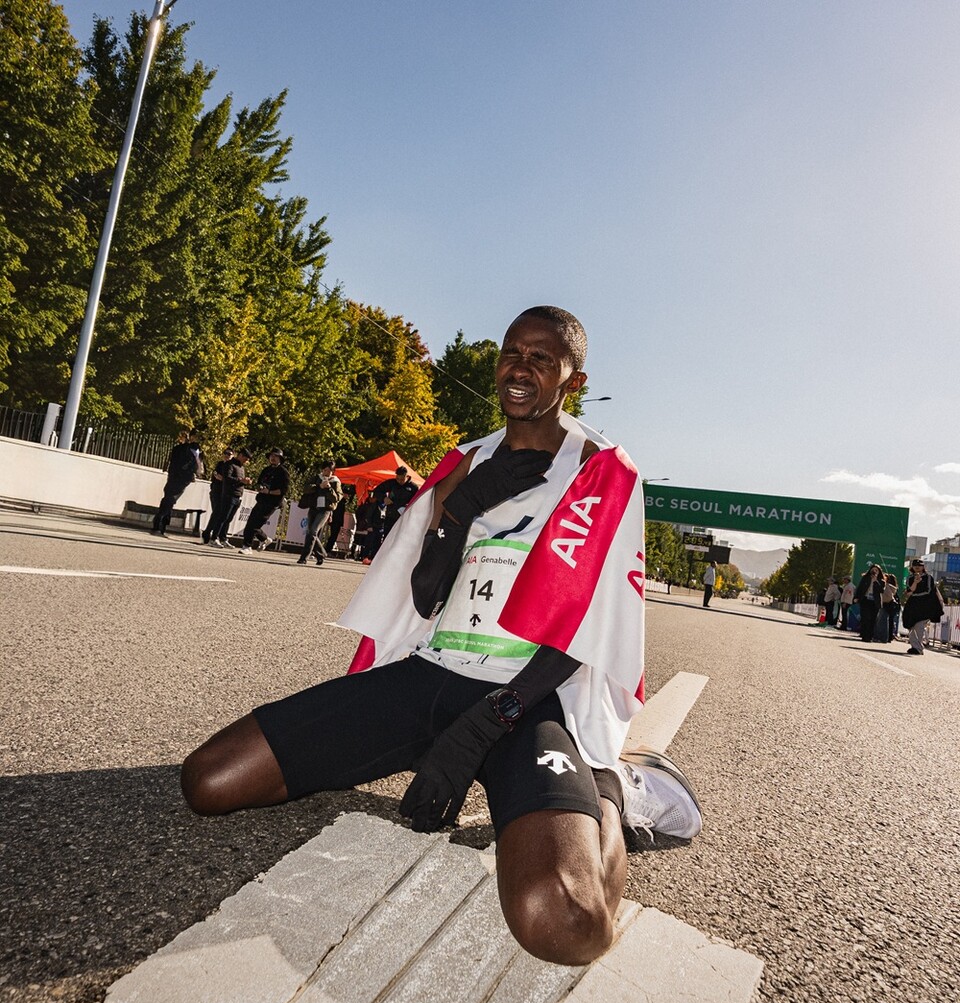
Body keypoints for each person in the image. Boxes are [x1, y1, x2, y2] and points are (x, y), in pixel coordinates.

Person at [182, 306, 701, 967]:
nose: (522, 367)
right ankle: (419, 741)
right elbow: (425, 596)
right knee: (210, 780)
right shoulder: (468, 459)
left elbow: (586, 629)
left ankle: (612, 787)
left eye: (543, 358)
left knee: (565, 920)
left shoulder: (601, 468)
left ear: (574, 379)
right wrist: (457, 511)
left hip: (531, 699)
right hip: (432, 673)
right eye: (512, 352)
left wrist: (485, 726)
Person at [152, 429, 203, 536]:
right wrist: (197, 473)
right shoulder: (193, 448)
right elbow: (197, 461)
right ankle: (160, 521)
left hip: (175, 475)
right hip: (182, 476)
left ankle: (160, 523)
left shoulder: (180, 448)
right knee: (171, 498)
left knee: (169, 496)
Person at [238, 449, 289, 555]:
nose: (273, 458)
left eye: (276, 456)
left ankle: (247, 546)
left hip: (272, 503)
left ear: (280, 458)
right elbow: (259, 482)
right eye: (271, 456)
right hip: (261, 499)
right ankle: (263, 539)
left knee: (255, 524)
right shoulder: (266, 470)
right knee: (251, 522)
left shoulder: (283, 472)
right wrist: (260, 487)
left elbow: (283, 491)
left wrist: (269, 491)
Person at [297, 459, 343, 565]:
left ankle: (304, 557)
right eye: (325, 470)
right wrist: (319, 486)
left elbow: (337, 498)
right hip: (314, 507)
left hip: (325, 510)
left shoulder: (335, 482)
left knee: (313, 531)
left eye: (329, 471)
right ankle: (321, 554)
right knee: (310, 533)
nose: (326, 473)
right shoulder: (316, 478)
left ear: (333, 471)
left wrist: (329, 489)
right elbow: (305, 488)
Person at [206, 448, 251, 546]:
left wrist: (245, 482)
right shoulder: (229, 464)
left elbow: (239, 481)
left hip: (237, 495)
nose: (246, 461)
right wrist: (241, 480)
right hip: (228, 495)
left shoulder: (241, 467)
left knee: (228, 519)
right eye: (246, 458)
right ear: (240, 455)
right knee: (222, 517)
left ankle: (223, 538)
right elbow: (227, 478)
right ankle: (213, 538)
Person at [901, 560, 944, 655]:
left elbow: (929, 591)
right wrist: (916, 582)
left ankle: (918, 648)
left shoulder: (928, 577)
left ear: (923, 567)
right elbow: (909, 591)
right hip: (912, 604)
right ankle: (914, 646)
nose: (917, 567)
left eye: (919, 566)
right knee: (910, 625)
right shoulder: (910, 578)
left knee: (919, 626)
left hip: (925, 605)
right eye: (915, 565)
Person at [202, 446, 233, 544]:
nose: (227, 455)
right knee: (217, 512)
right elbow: (216, 477)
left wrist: (224, 479)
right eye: (225, 453)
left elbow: (228, 479)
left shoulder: (233, 466)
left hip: (226, 493)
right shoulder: (220, 464)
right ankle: (207, 533)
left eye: (229, 454)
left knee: (224, 516)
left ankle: (220, 536)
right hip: (217, 491)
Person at [854, 564, 884, 642]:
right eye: (873, 570)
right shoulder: (865, 578)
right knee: (865, 618)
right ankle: (864, 635)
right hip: (865, 600)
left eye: (876, 570)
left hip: (875, 602)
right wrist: (856, 597)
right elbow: (860, 588)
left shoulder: (881, 581)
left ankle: (870, 636)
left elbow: (881, 590)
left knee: (872, 619)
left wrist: (875, 581)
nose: (874, 572)